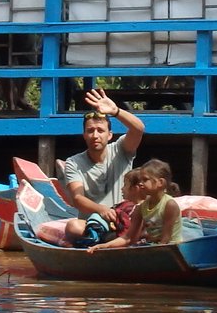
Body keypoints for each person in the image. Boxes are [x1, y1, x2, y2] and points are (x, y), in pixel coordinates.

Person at [59, 88, 145, 245]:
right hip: (94, 223)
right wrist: (102, 210)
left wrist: (116, 111)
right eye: (90, 131)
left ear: (109, 135)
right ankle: (108, 239)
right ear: (84, 135)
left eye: (100, 130)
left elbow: (138, 129)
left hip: (124, 219)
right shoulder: (73, 162)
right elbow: (78, 198)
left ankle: (116, 238)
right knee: (73, 227)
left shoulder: (121, 149)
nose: (95, 135)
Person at [87, 160, 184, 252]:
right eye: (140, 180)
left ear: (160, 182)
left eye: (145, 180)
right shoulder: (141, 207)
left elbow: (166, 240)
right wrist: (104, 245)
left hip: (172, 249)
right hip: (155, 247)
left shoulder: (169, 205)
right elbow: (128, 237)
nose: (141, 183)